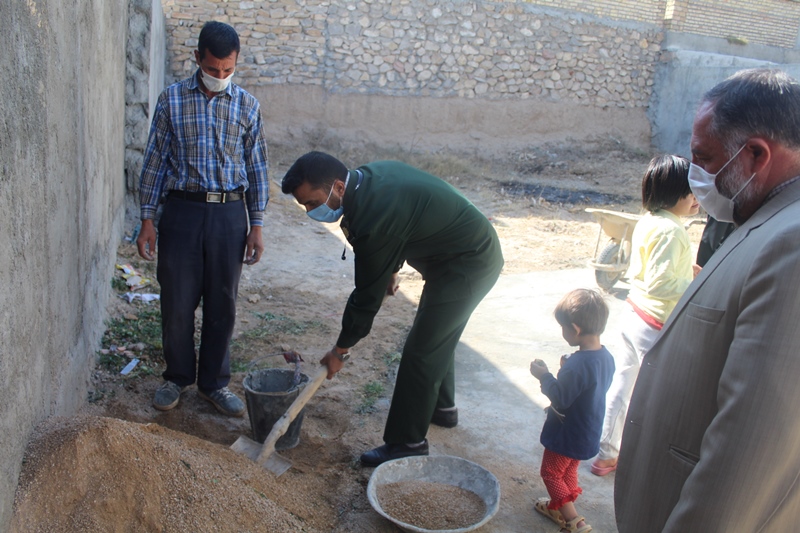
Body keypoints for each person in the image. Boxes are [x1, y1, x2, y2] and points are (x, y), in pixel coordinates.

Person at [615, 68, 800, 531]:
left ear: (756, 155)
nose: (696, 175)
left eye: (704, 157)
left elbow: (750, 449)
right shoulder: (765, 221)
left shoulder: (792, 244)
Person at [280, 151, 504, 466]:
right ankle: (442, 409)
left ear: (338, 188)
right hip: (453, 257)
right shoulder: (369, 179)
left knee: (422, 349)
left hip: (469, 263)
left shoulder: (375, 214)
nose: (310, 212)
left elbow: (366, 296)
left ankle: (406, 443)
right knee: (436, 335)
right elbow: (406, 222)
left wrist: (340, 350)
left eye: (313, 203)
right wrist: (392, 269)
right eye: (304, 206)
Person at [136, 21, 269, 417]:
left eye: (228, 71)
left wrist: (256, 224)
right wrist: (147, 218)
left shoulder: (247, 105)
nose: (220, 78)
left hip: (230, 215)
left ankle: (214, 383)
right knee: (176, 300)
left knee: (222, 304)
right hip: (182, 213)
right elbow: (155, 161)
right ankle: (177, 376)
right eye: (213, 70)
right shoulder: (171, 101)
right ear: (197, 59)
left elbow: (257, 167)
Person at [591, 155, 700, 476]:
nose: (697, 199)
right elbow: (663, 282)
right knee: (658, 398)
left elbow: (652, 270)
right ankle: (642, 461)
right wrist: (695, 281)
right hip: (656, 326)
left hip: (634, 313)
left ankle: (606, 453)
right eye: (690, 192)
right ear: (672, 194)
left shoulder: (650, 221)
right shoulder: (672, 230)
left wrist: (684, 270)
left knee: (623, 387)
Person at [530, 289, 615, 533]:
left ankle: (574, 521)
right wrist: (567, 370)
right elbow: (590, 386)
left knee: (551, 473)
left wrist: (544, 375)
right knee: (568, 470)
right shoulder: (605, 357)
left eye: (564, 328)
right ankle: (560, 507)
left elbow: (560, 398)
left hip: (568, 433)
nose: (563, 332)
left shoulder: (577, 365)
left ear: (575, 329)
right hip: (588, 429)